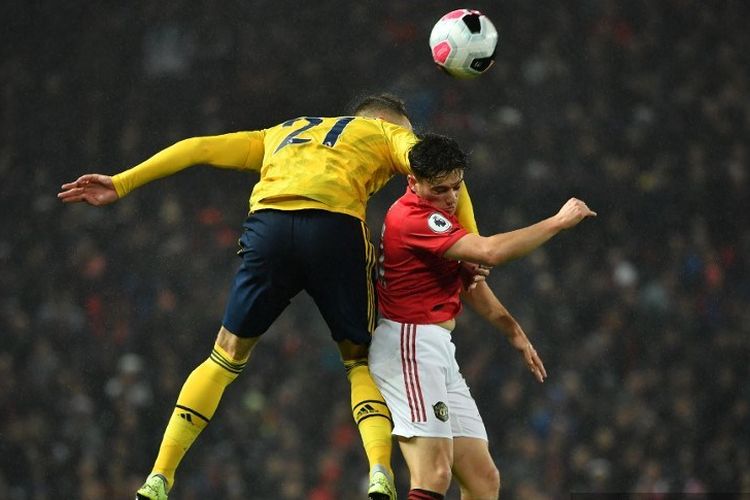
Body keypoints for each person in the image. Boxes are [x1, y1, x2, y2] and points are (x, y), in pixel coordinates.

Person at [57, 95, 484, 500]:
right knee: (358, 359)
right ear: (382, 121)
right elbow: (440, 169)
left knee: (223, 357)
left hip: (270, 230)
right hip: (334, 230)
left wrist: (123, 182)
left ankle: (159, 476)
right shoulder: (385, 133)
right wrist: (472, 246)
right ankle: (380, 471)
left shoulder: (281, 131)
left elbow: (197, 147)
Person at [368, 134, 596, 499]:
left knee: (482, 478)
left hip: (436, 348)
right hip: (409, 344)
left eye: (456, 187)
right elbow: (489, 252)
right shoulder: (413, 218)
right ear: (414, 182)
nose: (451, 198)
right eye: (440, 189)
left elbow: (469, 284)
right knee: (434, 473)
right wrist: (558, 221)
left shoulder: (439, 216)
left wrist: (514, 332)